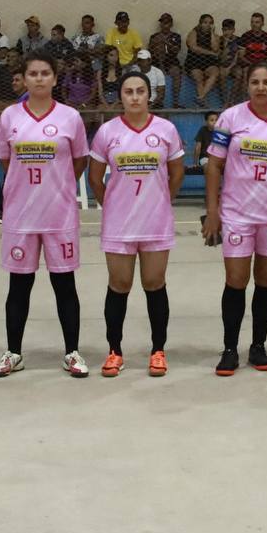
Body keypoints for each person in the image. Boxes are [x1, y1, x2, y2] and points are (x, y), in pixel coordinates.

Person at [0, 51, 90, 378]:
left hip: (59, 213)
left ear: (55, 78)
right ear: (23, 78)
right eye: (33, 73)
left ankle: (72, 352)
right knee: (19, 285)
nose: (39, 78)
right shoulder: (10, 116)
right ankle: (13, 353)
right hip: (21, 214)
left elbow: (79, 161)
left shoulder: (70, 117)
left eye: (45, 73)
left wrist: (58, 186)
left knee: (65, 284)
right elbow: (6, 160)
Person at [204, 62, 267, 375]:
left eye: (266, 82)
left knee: (266, 280)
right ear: (247, 85)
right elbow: (214, 165)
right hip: (237, 212)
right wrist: (212, 211)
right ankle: (229, 349)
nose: (260, 87)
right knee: (236, 280)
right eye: (254, 82)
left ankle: (258, 346)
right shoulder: (230, 118)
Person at [88, 72, 185, 377]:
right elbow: (95, 178)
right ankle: (114, 351)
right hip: (119, 223)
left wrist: (161, 201)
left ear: (148, 95)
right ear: (121, 96)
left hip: (155, 220)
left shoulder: (166, 129)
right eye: (128, 91)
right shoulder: (107, 132)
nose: (134, 97)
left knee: (154, 283)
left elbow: (177, 173)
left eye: (140, 91)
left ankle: (158, 350)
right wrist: (113, 205)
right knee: (119, 285)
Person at [147, 13, 183, 105]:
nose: (165, 25)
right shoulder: (154, 36)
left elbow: (176, 50)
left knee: (176, 72)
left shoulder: (176, 36)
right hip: (157, 61)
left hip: (171, 60)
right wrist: (158, 45)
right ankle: (156, 101)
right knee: (155, 75)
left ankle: (176, 101)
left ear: (171, 24)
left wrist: (166, 42)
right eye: (163, 23)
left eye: (167, 23)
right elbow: (150, 50)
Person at [185, 13, 221, 105]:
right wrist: (210, 53)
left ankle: (201, 97)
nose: (208, 25)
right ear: (200, 23)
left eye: (210, 23)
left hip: (209, 62)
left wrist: (212, 33)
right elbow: (194, 48)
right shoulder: (194, 33)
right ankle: (203, 102)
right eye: (205, 22)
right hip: (194, 61)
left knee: (215, 73)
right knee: (199, 77)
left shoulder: (215, 36)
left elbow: (215, 48)